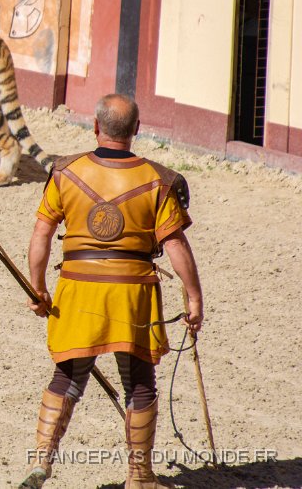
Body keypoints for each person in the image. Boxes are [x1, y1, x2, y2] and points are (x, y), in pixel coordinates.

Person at [18, 93, 204, 489]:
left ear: (96, 126)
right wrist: (193, 298)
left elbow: (41, 234)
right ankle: (140, 477)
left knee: (67, 374)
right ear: (136, 129)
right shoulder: (159, 179)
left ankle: (41, 462)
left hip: (78, 290)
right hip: (132, 294)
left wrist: (38, 289)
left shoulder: (65, 173)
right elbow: (175, 247)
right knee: (139, 383)